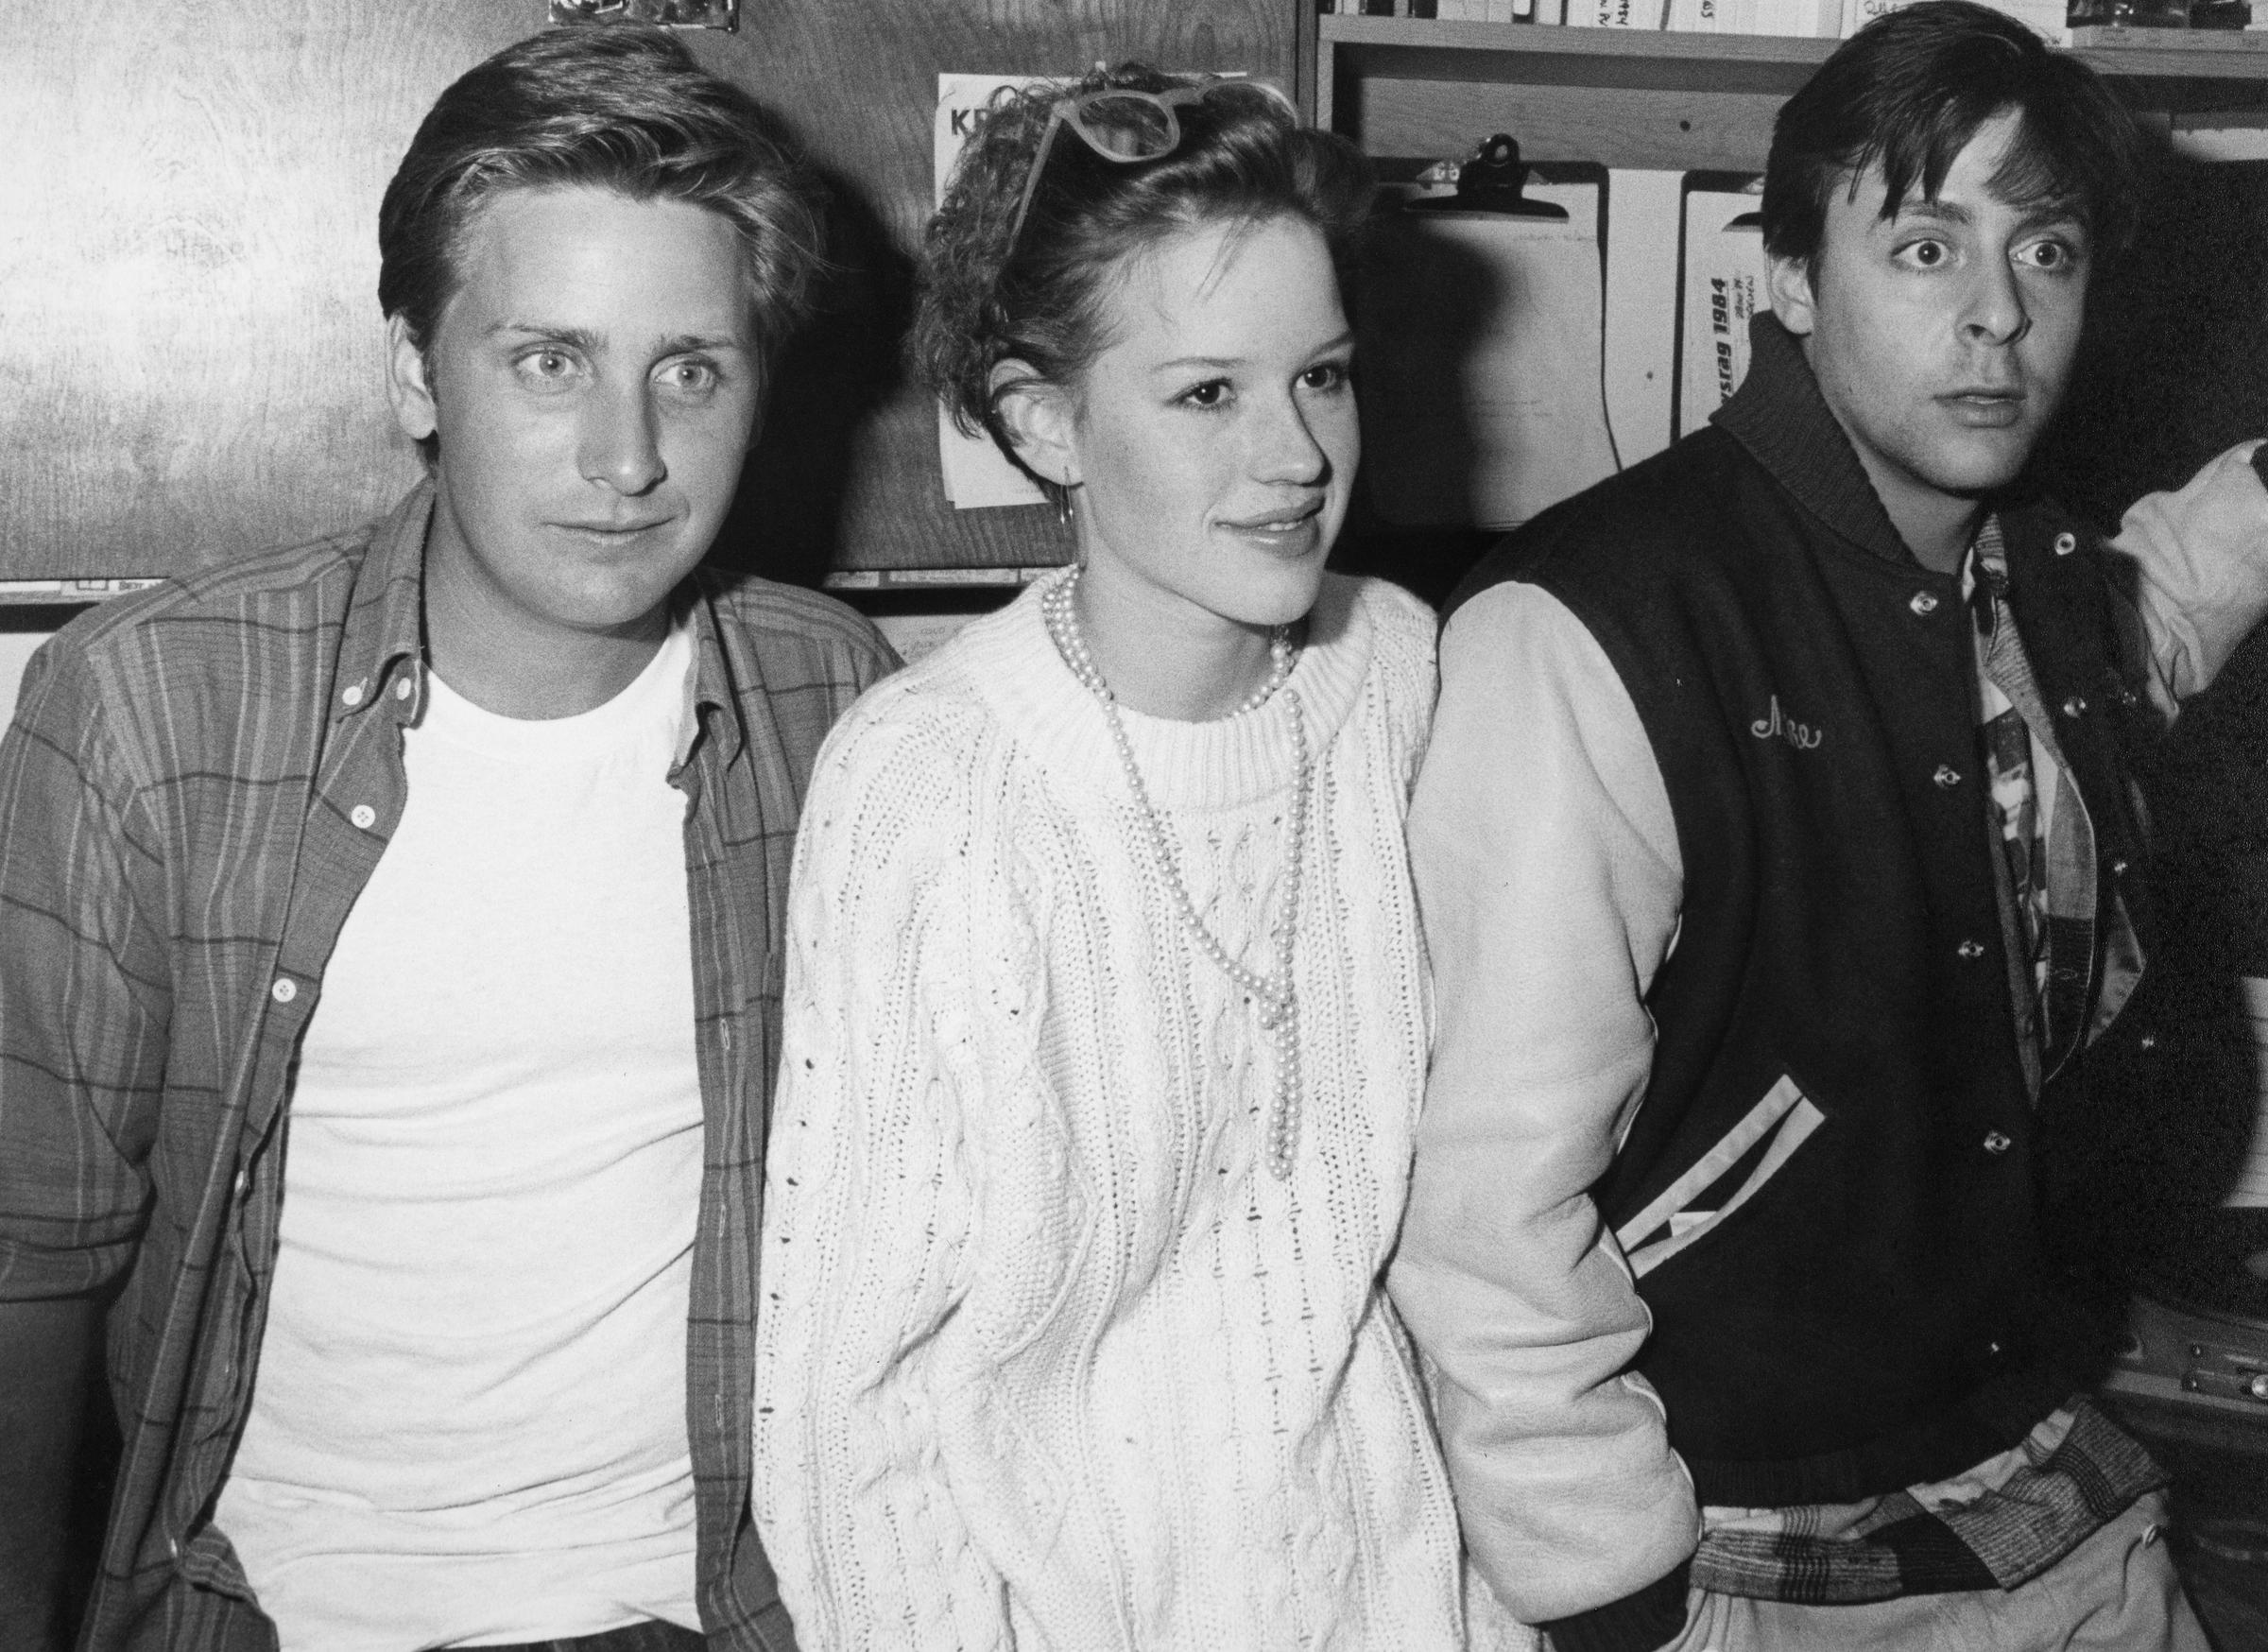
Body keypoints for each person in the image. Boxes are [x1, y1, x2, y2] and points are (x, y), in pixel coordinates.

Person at [0, 25, 894, 1652]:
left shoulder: (836, 697)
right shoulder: (147, 707)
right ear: (415, 369)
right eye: (548, 360)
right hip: (268, 1610)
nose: (629, 460)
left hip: (728, 1609)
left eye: (690, 369)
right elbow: (31, 1255)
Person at [1388, 6, 2268, 1650]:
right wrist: (1612, 1591)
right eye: (1927, 246)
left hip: (2041, 1484)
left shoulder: (2036, 589)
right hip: (1734, 1545)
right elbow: (1483, 1216)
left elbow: (2157, 621)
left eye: (2048, 251)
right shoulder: (1595, 627)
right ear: (1789, 278)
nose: (1998, 313)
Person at [748, 68, 1486, 1652]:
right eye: (1207, 394)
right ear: (1042, 420)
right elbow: (849, 1404)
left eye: (1327, 377)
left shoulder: (1401, 676)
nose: (1297, 455)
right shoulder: (930, 784)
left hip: (1420, 1600)